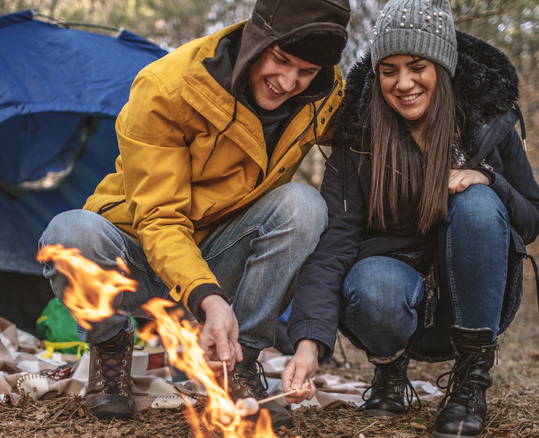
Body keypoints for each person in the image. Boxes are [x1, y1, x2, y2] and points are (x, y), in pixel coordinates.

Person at [38, 0, 350, 430]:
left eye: (306, 71)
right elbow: (160, 219)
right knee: (70, 233)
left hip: (222, 254)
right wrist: (209, 299)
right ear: (256, 38)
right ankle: (110, 346)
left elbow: (377, 133)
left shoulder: (324, 95)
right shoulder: (167, 88)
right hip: (139, 256)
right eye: (280, 60)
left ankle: (240, 362)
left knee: (303, 204)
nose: (288, 83)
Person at [280, 0, 539, 437]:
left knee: (478, 203)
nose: (403, 83)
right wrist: (308, 343)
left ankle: (470, 383)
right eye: (389, 71)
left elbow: (532, 219)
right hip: (390, 291)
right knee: (375, 284)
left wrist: (488, 178)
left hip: (470, 294)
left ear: (442, 66)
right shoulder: (358, 135)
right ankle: (389, 371)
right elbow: (334, 243)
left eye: (417, 67)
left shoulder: (487, 123)